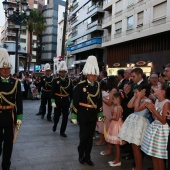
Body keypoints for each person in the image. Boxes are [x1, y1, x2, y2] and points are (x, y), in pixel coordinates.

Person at [71, 55, 102, 166]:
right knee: (83, 136)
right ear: (87, 74)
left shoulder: (98, 85)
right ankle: (81, 155)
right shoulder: (80, 86)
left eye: (94, 75)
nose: (93, 77)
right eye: (91, 75)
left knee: (90, 137)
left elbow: (99, 101)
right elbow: (75, 101)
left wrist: (100, 114)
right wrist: (74, 115)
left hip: (93, 115)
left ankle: (88, 157)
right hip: (83, 114)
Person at [118, 84, 151, 170]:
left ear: (143, 92)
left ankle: (139, 167)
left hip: (140, 124)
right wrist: (135, 96)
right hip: (134, 123)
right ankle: (137, 166)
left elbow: (137, 109)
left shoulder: (147, 101)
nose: (135, 94)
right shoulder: (137, 99)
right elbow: (129, 105)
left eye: (136, 92)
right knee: (134, 146)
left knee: (136, 147)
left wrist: (139, 97)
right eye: (134, 92)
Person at [0, 48, 23, 170]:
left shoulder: (15, 83)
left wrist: (19, 116)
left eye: (8, 68)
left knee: (8, 144)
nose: (5, 70)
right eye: (3, 68)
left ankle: (6, 166)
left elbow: (19, 101)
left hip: (10, 116)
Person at [141, 83, 170, 170]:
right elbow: (154, 117)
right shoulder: (157, 101)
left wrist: (153, 109)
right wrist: (151, 109)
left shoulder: (166, 103)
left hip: (162, 130)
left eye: (157, 87)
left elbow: (164, 120)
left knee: (158, 155)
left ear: (163, 91)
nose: (155, 89)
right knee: (153, 154)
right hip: (155, 127)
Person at [51, 61, 73, 137]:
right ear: (59, 72)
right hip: (57, 100)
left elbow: (71, 92)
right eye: (61, 72)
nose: (63, 73)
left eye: (64, 72)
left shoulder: (69, 81)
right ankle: (55, 124)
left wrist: (72, 101)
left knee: (65, 117)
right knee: (57, 116)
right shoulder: (55, 80)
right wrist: (53, 101)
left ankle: (62, 131)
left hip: (66, 101)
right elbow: (53, 92)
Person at [106, 92, 126, 167]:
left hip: (117, 125)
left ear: (118, 99)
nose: (113, 101)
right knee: (115, 144)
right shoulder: (116, 107)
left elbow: (117, 118)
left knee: (117, 145)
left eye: (113, 99)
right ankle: (116, 159)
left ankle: (118, 160)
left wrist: (111, 118)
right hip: (114, 124)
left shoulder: (119, 107)